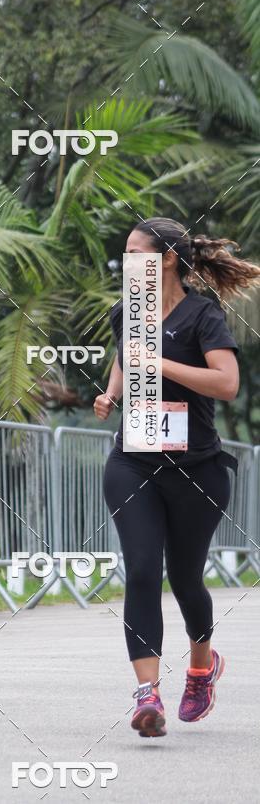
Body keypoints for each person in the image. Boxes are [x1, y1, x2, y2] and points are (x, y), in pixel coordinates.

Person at [93, 217, 260, 738]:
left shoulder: (202, 315)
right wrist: (111, 393)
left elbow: (227, 383)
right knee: (142, 569)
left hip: (197, 470)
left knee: (186, 578)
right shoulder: (127, 311)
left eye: (134, 253)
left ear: (166, 259)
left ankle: (201, 667)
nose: (126, 263)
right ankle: (147, 694)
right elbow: (126, 356)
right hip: (134, 462)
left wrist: (160, 364)